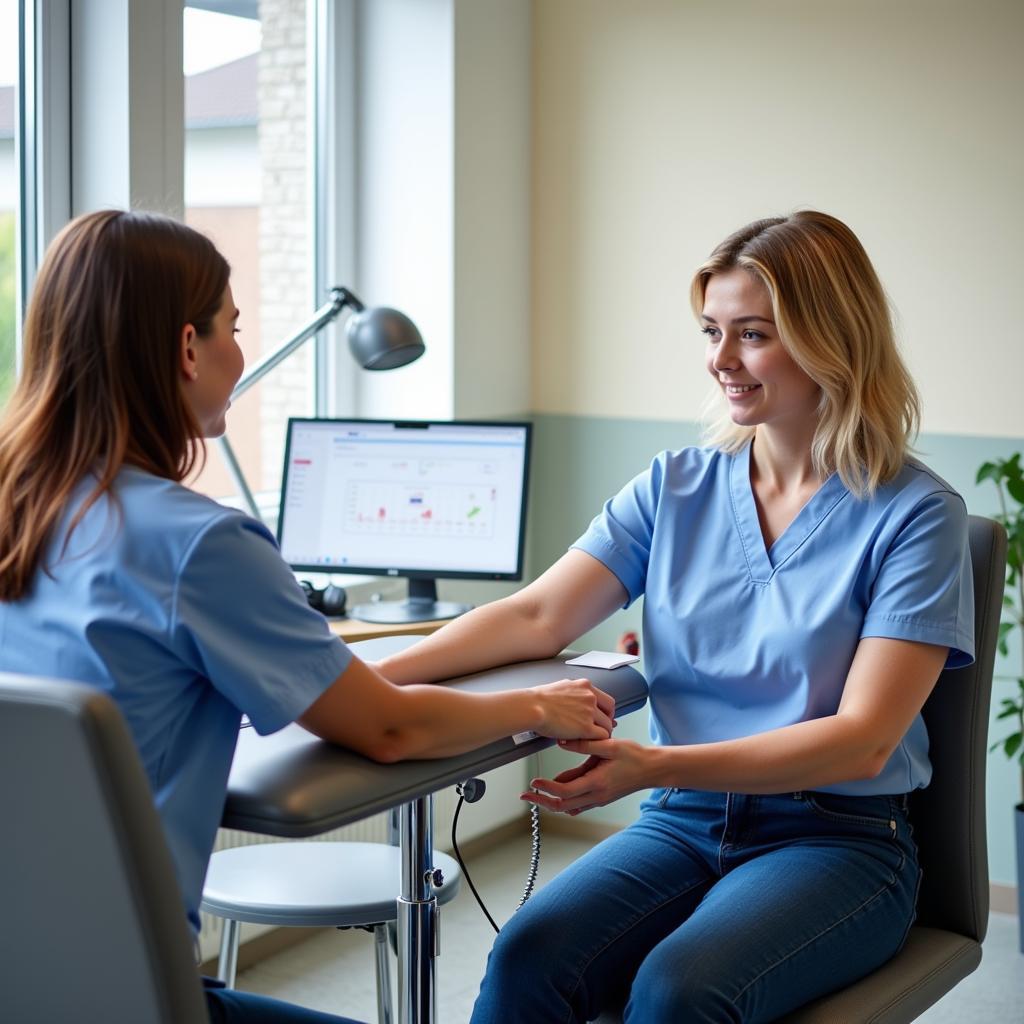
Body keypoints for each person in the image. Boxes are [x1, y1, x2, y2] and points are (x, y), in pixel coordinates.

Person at [0, 209, 615, 1024]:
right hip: (127, 997)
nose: (239, 353)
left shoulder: (20, 509)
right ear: (188, 349)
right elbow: (388, 730)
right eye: (233, 327)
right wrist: (537, 706)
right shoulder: (198, 543)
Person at [371, 210, 975, 1023]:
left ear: (832, 339)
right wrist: (361, 682)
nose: (721, 360)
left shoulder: (916, 516)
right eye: (711, 331)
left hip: (836, 838)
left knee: (678, 991)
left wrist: (655, 765)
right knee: (526, 960)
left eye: (753, 334)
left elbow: (865, 741)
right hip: (684, 820)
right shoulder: (678, 484)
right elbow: (537, 615)